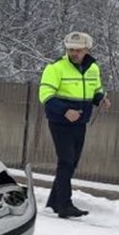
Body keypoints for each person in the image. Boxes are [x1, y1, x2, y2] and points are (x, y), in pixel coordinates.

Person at [38, 31, 112, 218]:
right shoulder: (55, 68)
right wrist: (65, 111)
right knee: (66, 161)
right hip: (59, 122)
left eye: (78, 50)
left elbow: (96, 89)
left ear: (87, 49)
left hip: (81, 122)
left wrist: (101, 99)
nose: (74, 53)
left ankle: (54, 202)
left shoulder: (93, 68)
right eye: (71, 50)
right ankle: (65, 205)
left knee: (71, 163)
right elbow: (45, 95)